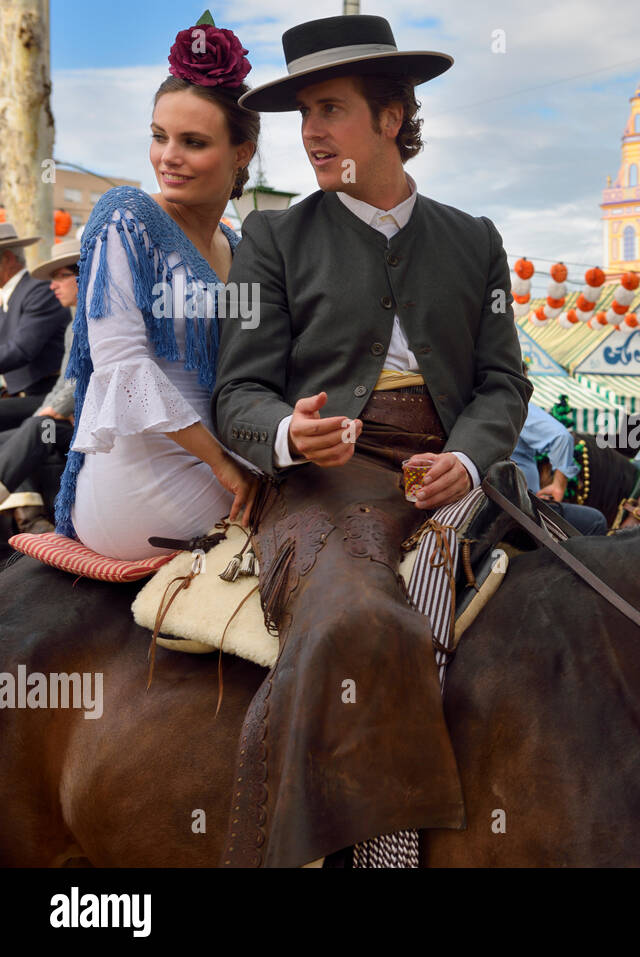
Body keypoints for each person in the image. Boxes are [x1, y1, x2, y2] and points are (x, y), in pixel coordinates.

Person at [213, 14, 530, 867]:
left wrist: (465, 459)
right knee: (361, 615)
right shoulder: (272, 238)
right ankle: (374, 859)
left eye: (330, 108)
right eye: (303, 115)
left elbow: (504, 382)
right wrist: (289, 432)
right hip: (325, 485)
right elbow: (234, 394)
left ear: (393, 116)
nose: (312, 132)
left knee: (599, 581)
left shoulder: (476, 239)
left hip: (459, 472)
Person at [51, 17, 259, 558]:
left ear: (242, 152)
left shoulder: (238, 245)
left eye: (193, 142)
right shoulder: (125, 216)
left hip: (226, 456)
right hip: (139, 475)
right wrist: (222, 464)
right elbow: (121, 366)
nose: (168, 157)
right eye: (159, 136)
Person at [0, 236, 80, 534]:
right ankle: (27, 515)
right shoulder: (76, 325)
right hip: (54, 412)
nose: (52, 285)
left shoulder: (101, 319)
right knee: (27, 429)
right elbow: (65, 380)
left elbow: (84, 379)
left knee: (36, 428)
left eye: (61, 276)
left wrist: (52, 410)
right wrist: (48, 410)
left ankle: (31, 519)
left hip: (81, 426)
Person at [0, 222, 71, 430]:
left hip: (47, 394)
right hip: (17, 393)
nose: (55, 282)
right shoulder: (9, 295)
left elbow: (21, 349)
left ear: (7, 259)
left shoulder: (40, 291)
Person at [509, 401, 608, 535]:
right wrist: (558, 486)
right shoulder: (510, 400)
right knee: (596, 521)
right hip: (519, 509)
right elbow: (562, 437)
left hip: (489, 506)